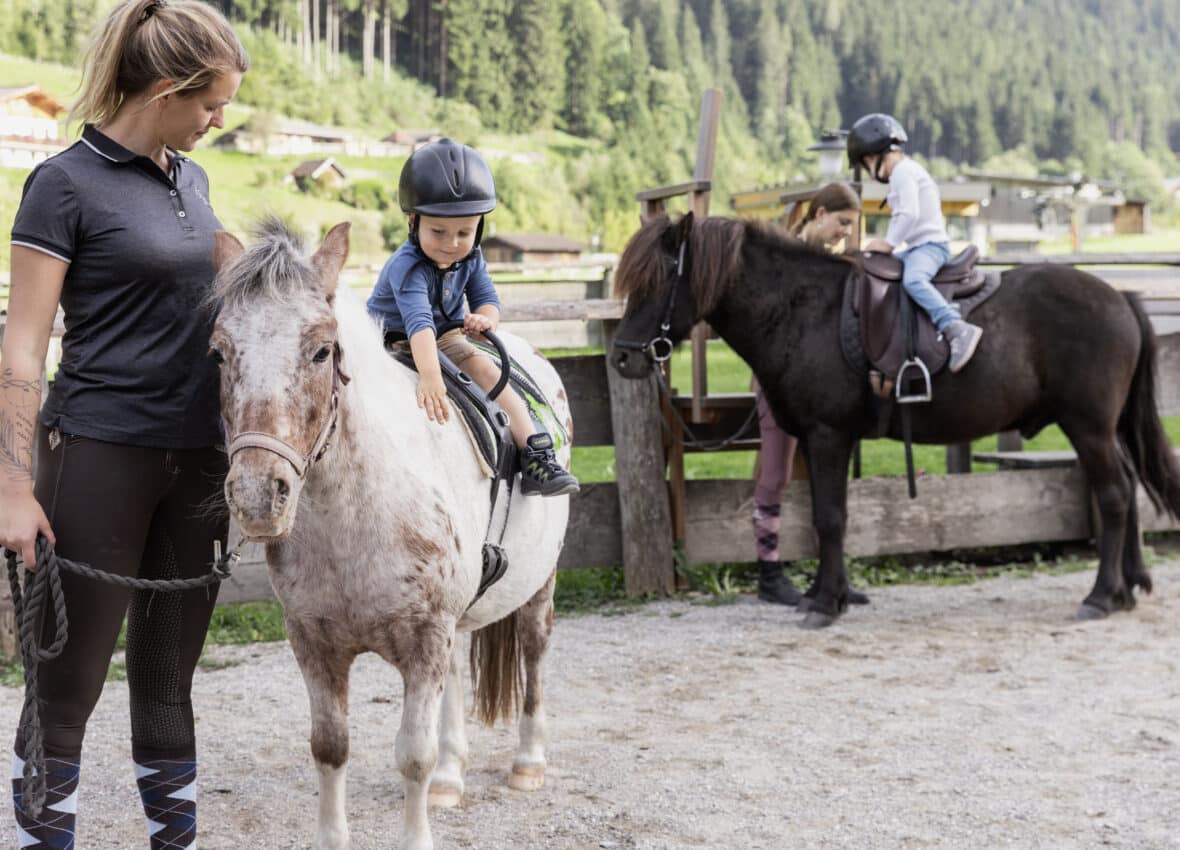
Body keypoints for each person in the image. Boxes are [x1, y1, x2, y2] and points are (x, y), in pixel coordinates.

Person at [0, 1, 248, 846]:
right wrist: (11, 486)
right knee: (65, 687)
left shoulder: (193, 178)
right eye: (212, 103)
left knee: (168, 680)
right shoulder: (63, 184)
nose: (221, 119)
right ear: (168, 88)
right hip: (98, 456)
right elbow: (23, 347)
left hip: (199, 464)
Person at [367, 139, 579, 497]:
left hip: (443, 337)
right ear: (413, 221)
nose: (451, 243)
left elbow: (487, 298)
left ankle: (537, 454)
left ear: (479, 227)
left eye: (464, 232)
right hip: (390, 340)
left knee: (488, 371)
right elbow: (418, 323)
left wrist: (485, 319)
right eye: (438, 232)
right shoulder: (407, 266)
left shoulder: (472, 257)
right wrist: (431, 377)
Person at [753, 182, 868, 606]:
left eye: (850, 226)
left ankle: (832, 575)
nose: (844, 233)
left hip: (823, 386)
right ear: (818, 214)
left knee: (828, 475)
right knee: (775, 476)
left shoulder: (829, 264)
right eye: (841, 223)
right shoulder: (780, 257)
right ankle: (769, 575)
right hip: (779, 385)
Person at [847, 113, 983, 373]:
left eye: (865, 164)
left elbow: (909, 213)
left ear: (872, 157)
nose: (868, 171)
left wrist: (888, 244)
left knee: (913, 281)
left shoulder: (902, 173)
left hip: (930, 247)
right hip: (915, 248)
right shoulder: (906, 170)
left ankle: (955, 328)